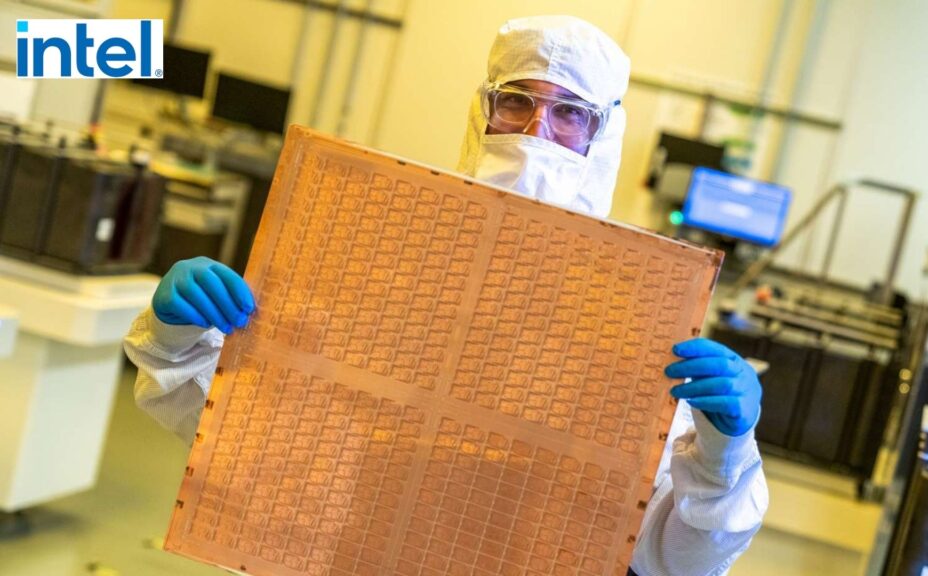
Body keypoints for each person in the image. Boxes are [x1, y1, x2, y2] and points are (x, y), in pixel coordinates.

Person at [124, 15, 767, 576]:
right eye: (515, 102)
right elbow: (253, 431)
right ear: (483, 110)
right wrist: (176, 338)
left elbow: (675, 558)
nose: (536, 132)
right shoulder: (389, 260)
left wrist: (723, 455)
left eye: (570, 113)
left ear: (603, 137)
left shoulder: (634, 314)